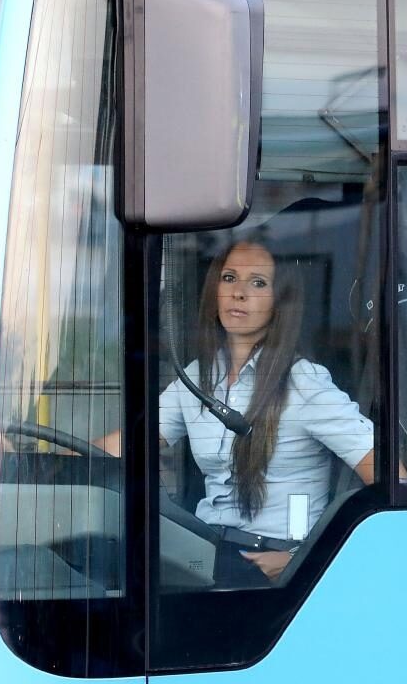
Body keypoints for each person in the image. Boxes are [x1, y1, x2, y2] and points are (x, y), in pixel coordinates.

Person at [100, 238, 377, 588]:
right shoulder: (199, 376)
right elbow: (121, 446)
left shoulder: (304, 383)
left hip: (271, 572)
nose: (239, 292)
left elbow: (390, 483)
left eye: (258, 282)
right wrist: (35, 456)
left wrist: (307, 559)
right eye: (229, 278)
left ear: (281, 301)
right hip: (206, 556)